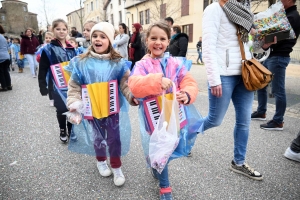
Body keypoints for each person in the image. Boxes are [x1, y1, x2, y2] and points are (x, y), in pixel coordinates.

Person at [128, 22, 201, 200]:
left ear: (168, 41)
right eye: (153, 38)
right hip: (152, 116)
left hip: (173, 114)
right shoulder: (141, 65)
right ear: (147, 40)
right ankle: (165, 186)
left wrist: (187, 94)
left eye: (162, 38)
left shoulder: (176, 63)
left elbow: (189, 81)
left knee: (168, 148)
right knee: (160, 148)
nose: (158, 42)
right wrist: (157, 81)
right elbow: (134, 85)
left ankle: (157, 165)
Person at [66, 22, 138, 186]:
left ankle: (116, 166)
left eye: (102, 36)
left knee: (114, 138)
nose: (98, 39)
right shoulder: (81, 62)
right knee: (97, 137)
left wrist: (131, 96)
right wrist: (74, 102)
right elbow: (74, 85)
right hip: (91, 109)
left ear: (110, 40)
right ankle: (101, 161)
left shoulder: (118, 62)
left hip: (111, 108)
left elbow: (125, 83)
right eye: (95, 36)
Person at [200, 0, 263, 180]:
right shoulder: (214, 9)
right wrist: (214, 79)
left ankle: (239, 162)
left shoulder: (246, 12)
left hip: (245, 74)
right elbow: (208, 47)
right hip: (223, 76)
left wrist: (263, 45)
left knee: (244, 122)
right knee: (215, 120)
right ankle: (189, 134)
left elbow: (249, 46)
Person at [251, 0, 300, 131]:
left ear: (290, 1)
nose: (279, 1)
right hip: (270, 55)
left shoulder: (292, 16)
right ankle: (261, 112)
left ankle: (278, 121)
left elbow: (280, 37)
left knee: (278, 90)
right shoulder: (284, 14)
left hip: (278, 56)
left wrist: (264, 38)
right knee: (262, 84)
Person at [38, 19, 76, 143]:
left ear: (67, 31)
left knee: (72, 107)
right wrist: (42, 85)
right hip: (56, 84)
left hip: (71, 84)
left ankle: (71, 129)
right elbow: (42, 69)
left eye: (64, 29)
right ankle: (62, 129)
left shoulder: (72, 48)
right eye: (58, 29)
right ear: (53, 30)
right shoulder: (48, 49)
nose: (61, 31)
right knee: (60, 109)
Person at [0, 24, 12, 91]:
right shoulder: (3, 37)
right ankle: (9, 85)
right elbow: (7, 47)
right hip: (6, 56)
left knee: (1, 72)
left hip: (0, 57)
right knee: (6, 71)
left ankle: (4, 86)